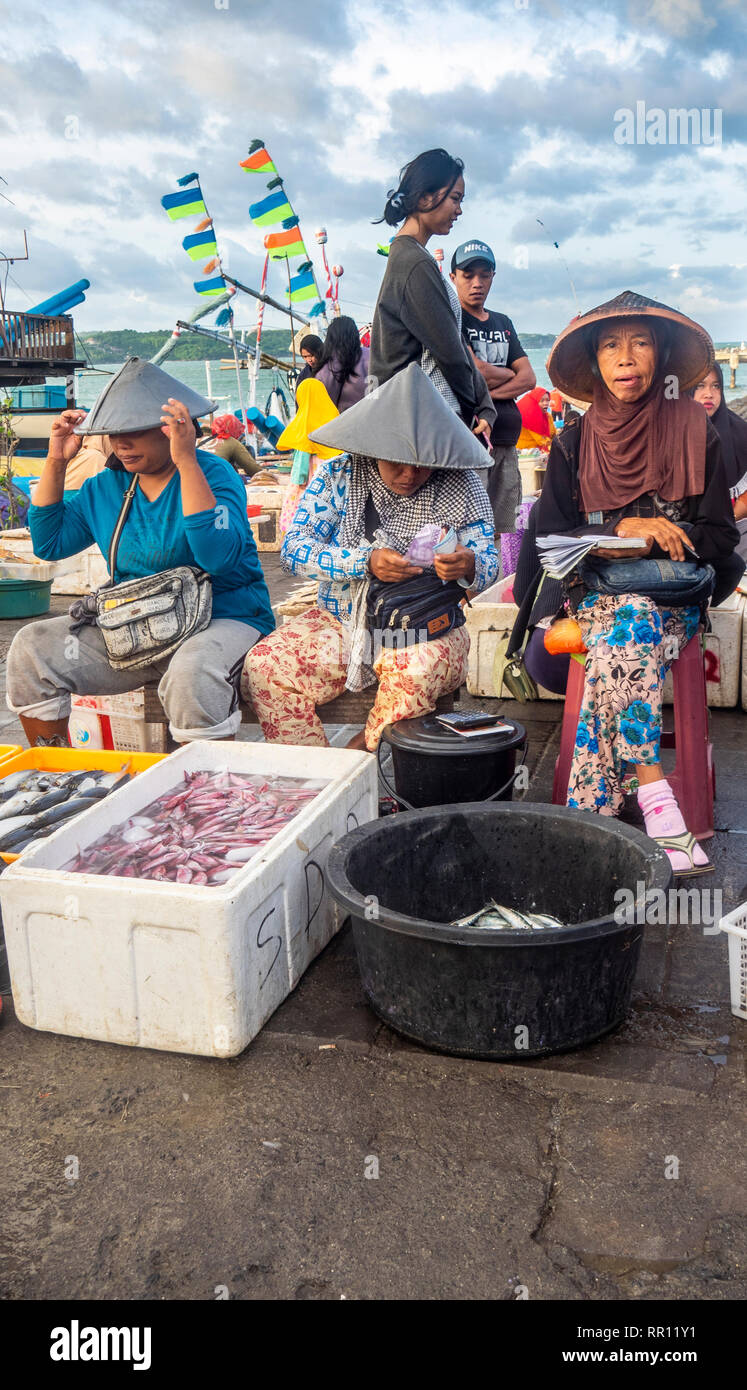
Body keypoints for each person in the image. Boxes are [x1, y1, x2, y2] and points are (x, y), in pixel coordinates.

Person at [538, 290, 743, 875]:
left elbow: (722, 540)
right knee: (626, 620)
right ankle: (658, 800)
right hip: (599, 593)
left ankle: (592, 824)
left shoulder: (698, 432)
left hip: (673, 598)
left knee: (630, 629)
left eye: (640, 343)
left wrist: (664, 534)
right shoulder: (573, 442)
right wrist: (619, 529)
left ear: (661, 355)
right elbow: (551, 536)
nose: (625, 358)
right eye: (610, 345)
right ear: (595, 362)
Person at [6, 358, 275, 747]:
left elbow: (218, 558)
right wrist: (56, 461)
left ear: (172, 430)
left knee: (191, 674)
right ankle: (56, 772)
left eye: (134, 431)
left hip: (224, 618)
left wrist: (186, 463)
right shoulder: (105, 487)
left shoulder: (215, 474)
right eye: (114, 433)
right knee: (33, 648)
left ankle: (202, 790)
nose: (121, 444)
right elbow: (51, 543)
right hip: (135, 624)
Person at [242, 364, 499, 751]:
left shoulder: (461, 484)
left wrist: (469, 565)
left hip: (428, 628)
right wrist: (364, 561)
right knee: (265, 667)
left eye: (422, 463)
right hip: (343, 620)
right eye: (396, 461)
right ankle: (315, 778)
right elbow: (294, 549)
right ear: (374, 446)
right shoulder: (340, 474)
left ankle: (365, 760)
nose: (409, 474)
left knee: (412, 670)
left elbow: (489, 562)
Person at [369, 148, 495, 443]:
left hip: (422, 419)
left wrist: (484, 406)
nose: (459, 210)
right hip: (424, 424)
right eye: (455, 198)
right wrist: (474, 412)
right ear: (426, 197)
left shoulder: (412, 257)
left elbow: (455, 345)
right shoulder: (414, 263)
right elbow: (449, 352)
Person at [449, 238, 535, 533]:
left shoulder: (503, 322)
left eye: (484, 275)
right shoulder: (452, 321)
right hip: (472, 441)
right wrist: (509, 374)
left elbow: (530, 378)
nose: (477, 283)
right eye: (468, 275)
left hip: (507, 437)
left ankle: (503, 580)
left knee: (506, 527)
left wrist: (488, 387)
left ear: (492, 278)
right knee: (472, 528)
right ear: (453, 278)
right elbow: (476, 371)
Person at [690, 363, 747, 562]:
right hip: (684, 532)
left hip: (733, 526)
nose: (709, 394)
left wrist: (718, 526)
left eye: (716, 386)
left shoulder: (739, 432)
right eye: (699, 386)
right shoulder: (669, 433)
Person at [315, 316, 370, 412]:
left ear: (330, 338)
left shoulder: (325, 369)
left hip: (342, 423)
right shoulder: (371, 355)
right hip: (374, 418)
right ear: (355, 335)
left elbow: (321, 408)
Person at [197, 414, 263, 477]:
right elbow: (253, 470)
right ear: (233, 428)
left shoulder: (196, 439)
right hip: (215, 480)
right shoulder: (231, 441)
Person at [517, 386, 556, 452]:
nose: (546, 403)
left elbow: (553, 434)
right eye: (542, 401)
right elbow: (542, 440)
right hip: (526, 452)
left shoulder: (548, 416)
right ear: (535, 402)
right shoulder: (529, 416)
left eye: (547, 400)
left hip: (541, 449)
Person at [294, 334, 324, 398]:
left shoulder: (330, 370)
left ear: (320, 351)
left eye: (311, 355)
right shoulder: (303, 374)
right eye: (305, 357)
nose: (309, 360)